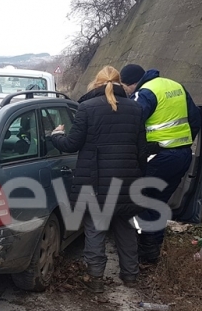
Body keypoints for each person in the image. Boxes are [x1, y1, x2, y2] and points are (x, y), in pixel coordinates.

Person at [49, 65, 147, 293]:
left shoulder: (86, 108)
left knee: (96, 228)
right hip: (126, 181)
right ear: (119, 82)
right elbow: (142, 150)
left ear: (97, 82)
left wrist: (56, 136)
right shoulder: (135, 109)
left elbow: (72, 144)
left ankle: (96, 280)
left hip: (95, 182)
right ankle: (130, 275)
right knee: (125, 227)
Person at [119, 63, 200, 265]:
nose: (127, 91)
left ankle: (145, 246)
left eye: (125, 87)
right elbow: (195, 120)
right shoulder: (175, 86)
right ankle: (152, 250)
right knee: (158, 201)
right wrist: (184, 143)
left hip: (159, 156)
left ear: (131, 83)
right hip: (182, 155)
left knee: (136, 196)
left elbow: (132, 123)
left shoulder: (144, 93)